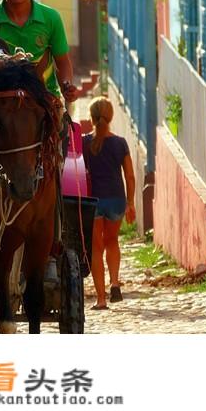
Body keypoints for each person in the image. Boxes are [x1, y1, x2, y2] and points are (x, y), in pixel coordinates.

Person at [82, 96, 136, 310]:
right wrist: (130, 203)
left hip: (93, 201)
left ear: (91, 117)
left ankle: (101, 299)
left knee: (96, 248)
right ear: (111, 116)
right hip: (116, 200)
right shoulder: (120, 143)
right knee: (112, 241)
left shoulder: (85, 142)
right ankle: (115, 283)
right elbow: (130, 177)